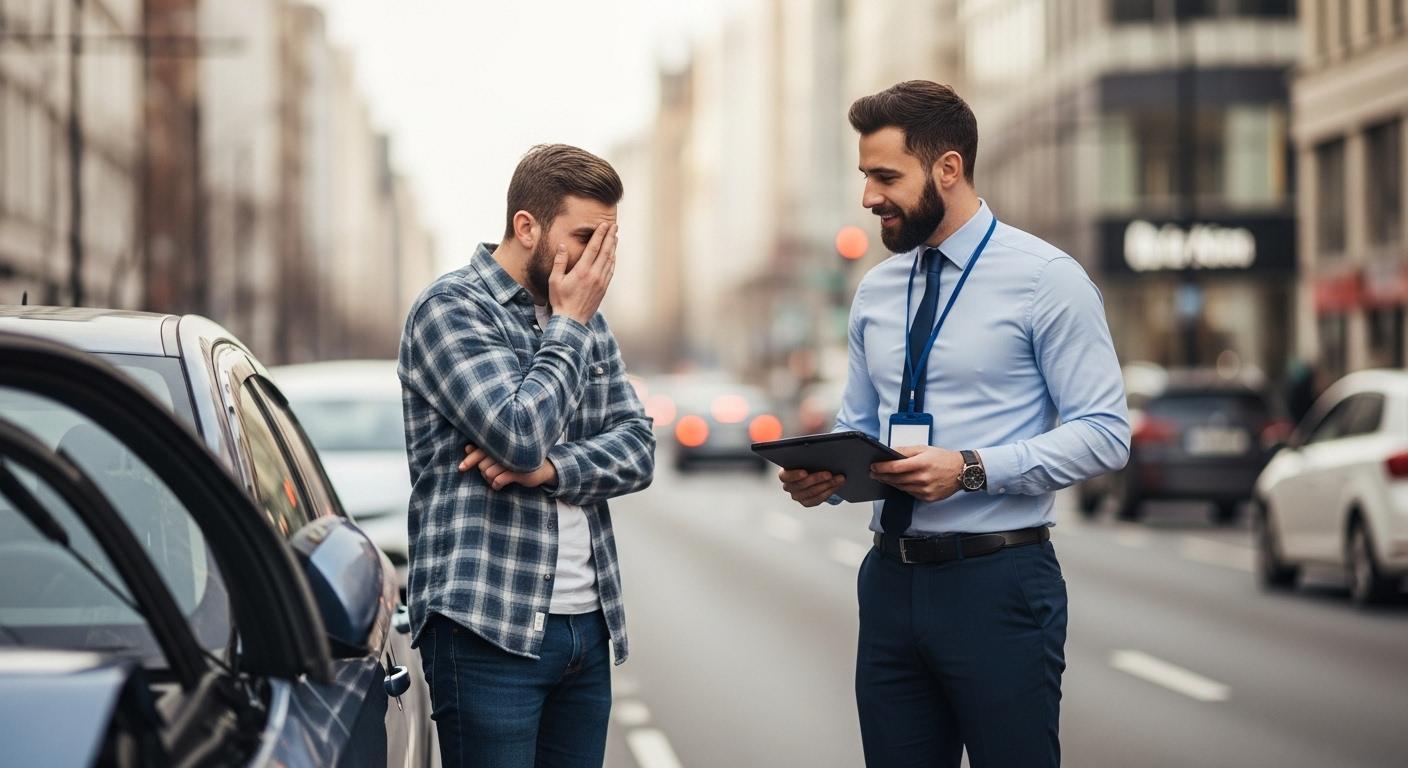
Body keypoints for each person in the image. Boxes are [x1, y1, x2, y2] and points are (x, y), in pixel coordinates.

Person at [776, 81, 1130, 767]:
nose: (868, 196)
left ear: (948, 169)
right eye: (865, 177)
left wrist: (968, 467)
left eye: (885, 176)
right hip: (887, 582)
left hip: (997, 583)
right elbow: (859, 423)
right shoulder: (875, 290)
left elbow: (1105, 431)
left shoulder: (1046, 280)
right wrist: (826, 473)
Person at [398, 144, 655, 767]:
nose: (600, 262)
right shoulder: (451, 310)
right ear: (526, 227)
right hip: (486, 627)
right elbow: (517, 432)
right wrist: (568, 326)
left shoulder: (586, 317)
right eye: (587, 238)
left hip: (586, 628)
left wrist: (551, 470)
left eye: (609, 242)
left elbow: (640, 447)